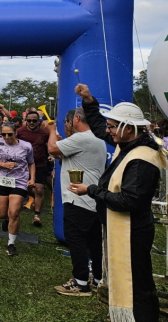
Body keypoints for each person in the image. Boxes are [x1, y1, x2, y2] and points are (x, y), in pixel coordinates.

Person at [69, 84, 163, 321]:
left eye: (113, 126)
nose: (108, 131)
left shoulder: (143, 159)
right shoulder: (130, 143)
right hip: (125, 228)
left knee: (137, 283)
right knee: (130, 279)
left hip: (134, 231)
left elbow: (128, 200)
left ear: (128, 128)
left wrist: (91, 190)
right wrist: (89, 101)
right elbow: (100, 127)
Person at [48, 108, 106, 296]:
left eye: (68, 120)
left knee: (76, 240)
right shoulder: (96, 138)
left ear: (77, 119)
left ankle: (80, 283)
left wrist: (50, 130)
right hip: (93, 198)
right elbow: (61, 154)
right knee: (94, 241)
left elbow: (52, 149)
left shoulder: (81, 138)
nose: (67, 124)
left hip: (78, 198)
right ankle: (98, 279)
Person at [0, 123, 34, 256]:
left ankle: (11, 244)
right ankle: (6, 221)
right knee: (2, 213)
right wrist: (4, 164)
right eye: (3, 134)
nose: (6, 137)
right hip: (1, 180)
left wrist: (32, 178)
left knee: (14, 212)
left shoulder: (26, 146)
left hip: (19, 181)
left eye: (10, 134)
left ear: (16, 133)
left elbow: (31, 163)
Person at [17, 111, 50, 226]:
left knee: (39, 190)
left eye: (34, 120)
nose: (31, 123)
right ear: (26, 120)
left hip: (40, 164)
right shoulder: (20, 132)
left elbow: (49, 146)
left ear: (38, 121)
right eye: (29, 120)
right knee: (25, 188)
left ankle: (37, 216)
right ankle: (33, 199)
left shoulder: (44, 133)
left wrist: (51, 154)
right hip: (23, 165)